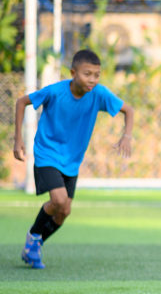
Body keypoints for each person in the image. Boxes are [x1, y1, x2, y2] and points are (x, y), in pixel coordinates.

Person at [12, 49, 134, 269]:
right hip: (47, 153)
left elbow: (129, 110)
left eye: (97, 75)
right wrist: (18, 140)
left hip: (72, 160)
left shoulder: (99, 94)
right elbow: (21, 102)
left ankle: (34, 247)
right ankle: (33, 236)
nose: (93, 80)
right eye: (87, 74)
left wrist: (127, 136)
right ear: (73, 72)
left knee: (64, 212)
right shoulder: (56, 92)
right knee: (58, 200)